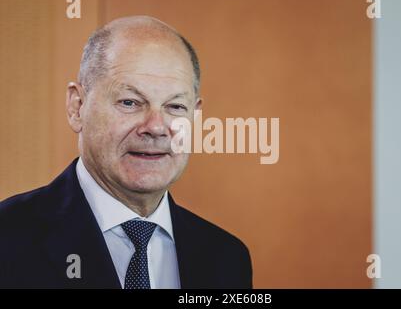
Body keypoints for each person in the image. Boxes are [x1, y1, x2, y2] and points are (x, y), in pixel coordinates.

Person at [0, 16, 252, 289]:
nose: (156, 127)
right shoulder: (8, 239)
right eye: (129, 102)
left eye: (175, 107)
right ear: (77, 107)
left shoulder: (226, 257)